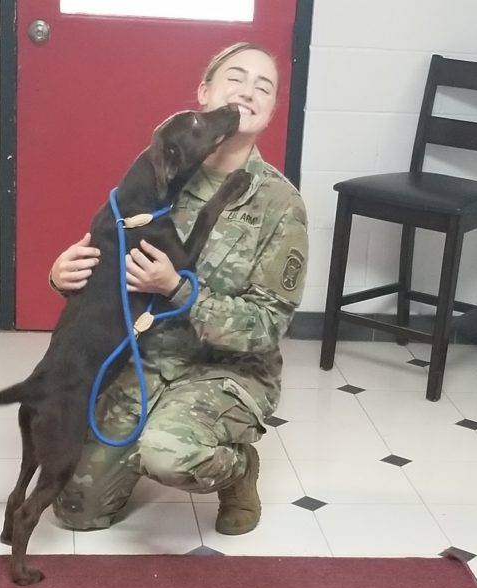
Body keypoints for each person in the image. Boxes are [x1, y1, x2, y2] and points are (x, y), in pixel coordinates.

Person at [48, 42, 308, 535]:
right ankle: (151, 432)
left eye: (264, 86)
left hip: (226, 371)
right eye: (236, 77)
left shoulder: (280, 203)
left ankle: (238, 469)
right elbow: (108, 262)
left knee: (167, 454)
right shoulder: (162, 167)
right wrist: (61, 274)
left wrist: (177, 290)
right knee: (77, 510)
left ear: (272, 110)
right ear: (205, 92)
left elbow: (267, 326)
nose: (248, 91)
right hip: (146, 361)